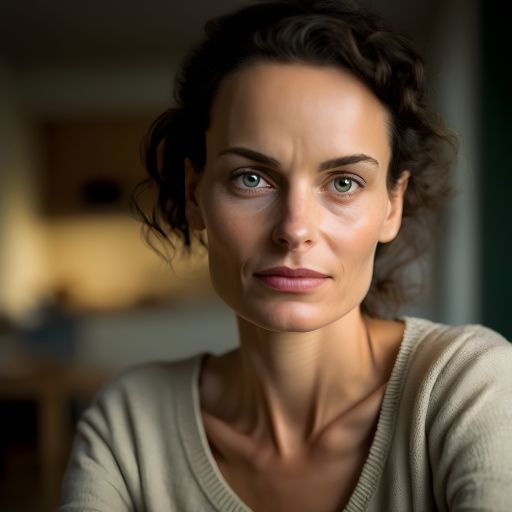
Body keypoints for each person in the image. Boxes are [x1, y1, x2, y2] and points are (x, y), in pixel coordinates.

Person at [59, 1, 512, 511]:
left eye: (343, 182)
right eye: (251, 178)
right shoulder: (130, 425)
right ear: (194, 194)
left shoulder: (470, 389)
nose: (295, 230)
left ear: (393, 205)